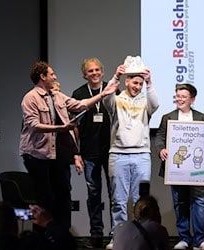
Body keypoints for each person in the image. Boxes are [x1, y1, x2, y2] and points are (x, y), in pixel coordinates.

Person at [20, 61, 120, 231]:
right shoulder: (30, 98)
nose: (55, 77)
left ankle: (62, 235)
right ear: (42, 77)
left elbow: (80, 105)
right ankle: (43, 238)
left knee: (64, 195)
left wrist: (103, 95)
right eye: (51, 74)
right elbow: (33, 125)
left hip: (57, 155)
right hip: (37, 156)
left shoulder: (57, 96)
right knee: (44, 199)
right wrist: (60, 128)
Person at [102, 64, 159, 249]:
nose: (137, 86)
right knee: (118, 200)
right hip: (118, 155)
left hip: (142, 155)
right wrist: (116, 75)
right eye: (135, 82)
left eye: (140, 84)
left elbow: (155, 104)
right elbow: (106, 97)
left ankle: (141, 235)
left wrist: (149, 83)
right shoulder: (116, 100)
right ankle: (118, 237)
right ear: (127, 81)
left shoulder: (145, 101)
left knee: (141, 200)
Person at [155, 83, 204, 250]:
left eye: (183, 96)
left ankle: (200, 240)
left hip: (198, 170)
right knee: (180, 202)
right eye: (178, 96)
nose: (180, 99)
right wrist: (162, 149)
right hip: (177, 169)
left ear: (192, 99)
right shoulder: (168, 117)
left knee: (200, 203)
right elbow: (160, 136)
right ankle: (184, 238)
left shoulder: (202, 117)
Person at [71, 57, 118, 248]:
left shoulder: (112, 89)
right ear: (85, 74)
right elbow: (74, 127)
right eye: (90, 71)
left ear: (102, 71)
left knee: (115, 195)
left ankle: (116, 235)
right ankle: (96, 234)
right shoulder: (79, 93)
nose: (95, 73)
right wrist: (77, 153)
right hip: (89, 153)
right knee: (93, 196)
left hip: (112, 152)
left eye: (97, 70)